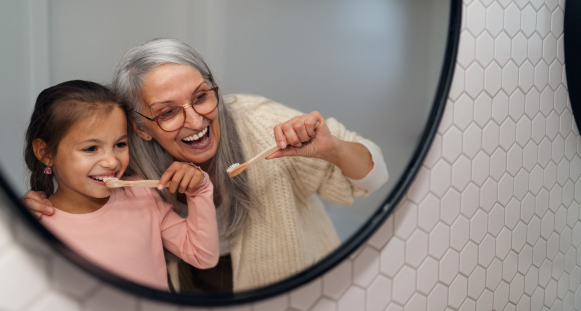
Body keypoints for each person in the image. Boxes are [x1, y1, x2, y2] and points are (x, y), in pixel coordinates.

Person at [23, 38, 389, 292]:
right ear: (140, 128)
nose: (195, 121)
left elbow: (375, 180)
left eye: (201, 97)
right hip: (193, 289)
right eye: (167, 112)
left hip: (295, 287)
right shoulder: (122, 161)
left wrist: (333, 149)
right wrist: (31, 209)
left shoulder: (263, 126)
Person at [23, 79, 219, 292]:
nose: (112, 162)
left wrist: (199, 190)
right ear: (45, 153)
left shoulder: (142, 194)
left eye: (120, 144)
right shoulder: (35, 226)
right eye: (91, 148)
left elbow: (203, 256)